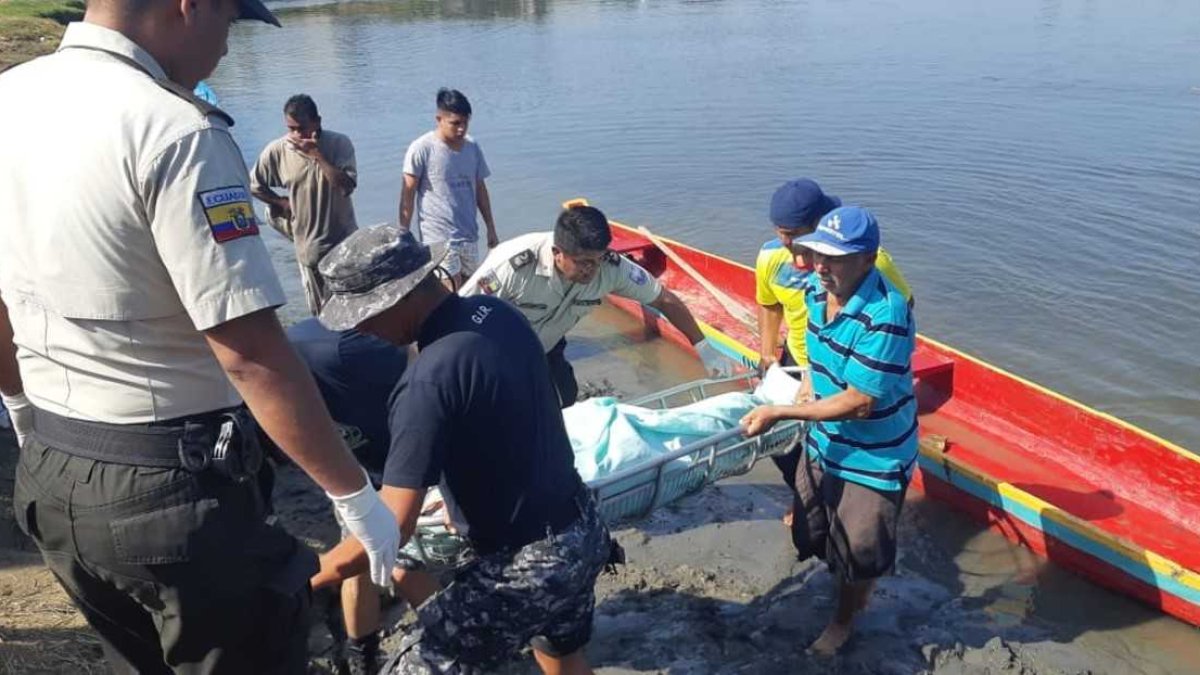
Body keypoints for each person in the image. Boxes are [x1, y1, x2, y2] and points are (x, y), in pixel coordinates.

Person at [0, 2, 400, 672]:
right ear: (190, 5)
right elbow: (250, 352)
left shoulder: (13, 96)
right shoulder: (177, 130)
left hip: (54, 472)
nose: (222, 48)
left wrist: (20, 409)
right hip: (169, 495)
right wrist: (353, 493)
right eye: (228, 22)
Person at [309, 226, 614, 675]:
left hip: (528, 563)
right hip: (582, 529)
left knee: (416, 667)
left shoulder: (426, 382)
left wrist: (311, 576)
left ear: (399, 296)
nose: (359, 327)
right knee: (560, 654)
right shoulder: (496, 313)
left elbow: (392, 527)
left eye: (363, 314)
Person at [741, 206, 918, 657]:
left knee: (857, 551)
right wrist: (803, 386)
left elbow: (860, 403)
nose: (820, 265)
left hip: (873, 456)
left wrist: (782, 413)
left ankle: (844, 619)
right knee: (812, 533)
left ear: (868, 259)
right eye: (817, 253)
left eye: (835, 258)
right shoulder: (814, 295)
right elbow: (812, 358)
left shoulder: (886, 314)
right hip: (824, 443)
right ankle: (848, 583)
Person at [460, 204, 737, 407]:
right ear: (558, 253)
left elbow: (663, 299)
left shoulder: (608, 267)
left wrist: (703, 346)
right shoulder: (514, 264)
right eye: (583, 262)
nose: (592, 270)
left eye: (598, 260)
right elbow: (461, 319)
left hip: (546, 347)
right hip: (494, 352)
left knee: (564, 401)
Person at [287, 319, 442, 674]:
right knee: (391, 560)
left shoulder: (381, 355)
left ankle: (445, 634)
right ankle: (365, 654)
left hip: (396, 459)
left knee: (400, 560)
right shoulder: (331, 352)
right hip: (356, 467)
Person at [757, 179, 912, 492]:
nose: (803, 262)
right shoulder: (770, 259)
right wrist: (767, 352)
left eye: (801, 242)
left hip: (845, 364)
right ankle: (799, 496)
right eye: (784, 237)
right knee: (785, 449)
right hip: (801, 359)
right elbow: (769, 305)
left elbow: (902, 309)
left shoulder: (868, 261)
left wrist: (873, 361)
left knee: (843, 425)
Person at [252, 94, 359, 314]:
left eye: (302, 128)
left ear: (317, 121)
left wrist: (316, 156)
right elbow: (255, 186)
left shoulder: (339, 144)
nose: (297, 135)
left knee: (353, 312)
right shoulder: (278, 150)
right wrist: (280, 202)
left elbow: (346, 187)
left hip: (345, 243)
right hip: (309, 249)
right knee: (322, 316)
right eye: (291, 129)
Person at [399, 88, 498, 288]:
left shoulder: (472, 147)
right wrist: (403, 235)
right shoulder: (422, 149)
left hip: (469, 235)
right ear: (439, 119)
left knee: (472, 290)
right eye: (455, 123)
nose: (461, 129)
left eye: (465, 123)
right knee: (450, 292)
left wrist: (491, 228)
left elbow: (480, 189)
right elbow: (407, 195)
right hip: (439, 239)